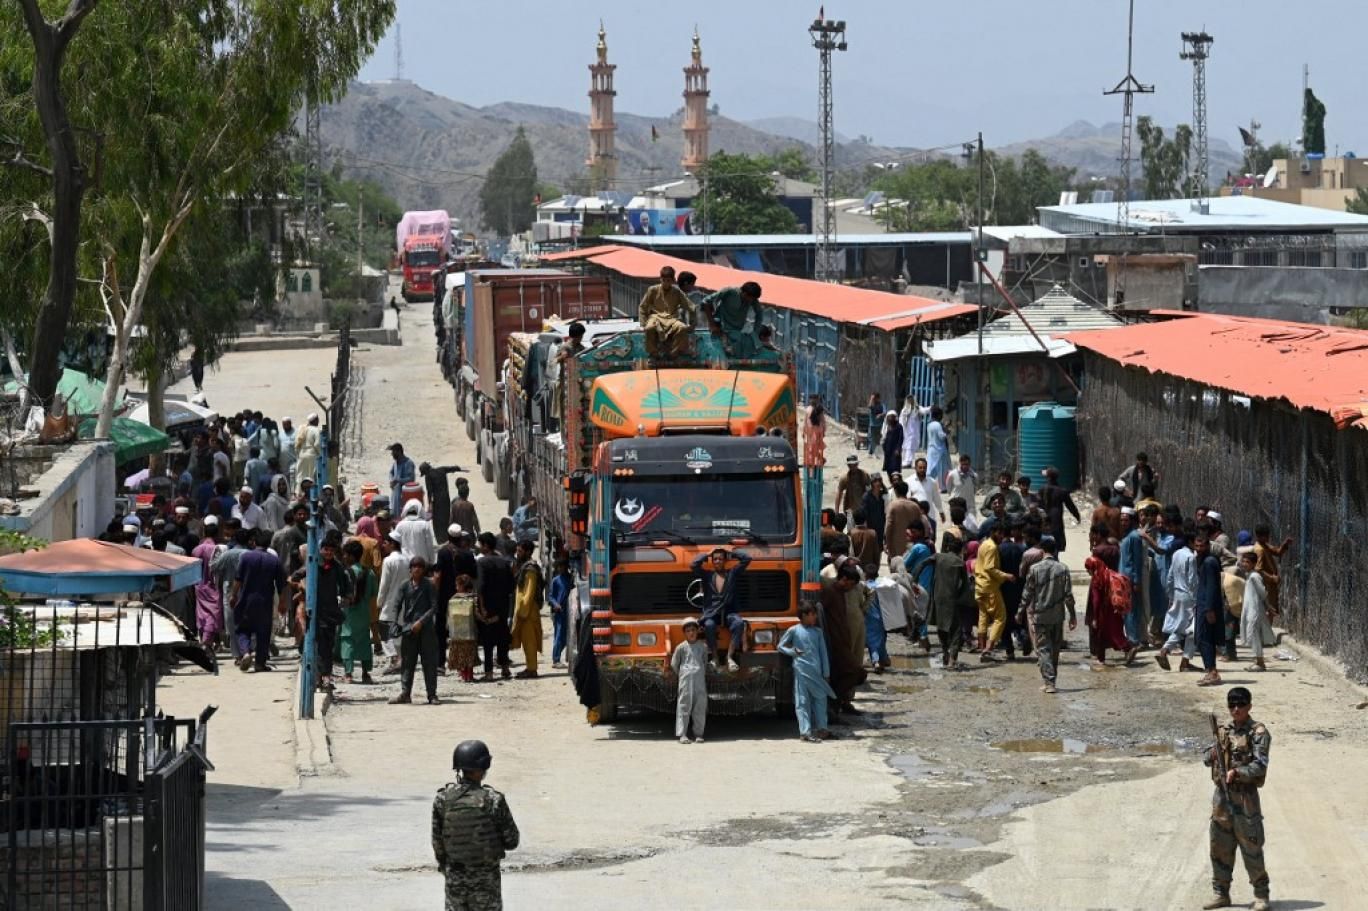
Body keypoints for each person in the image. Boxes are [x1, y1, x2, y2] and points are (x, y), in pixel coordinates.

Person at [1202, 687, 1271, 911]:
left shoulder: (1258, 732)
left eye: (1240, 705)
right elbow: (1206, 757)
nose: (1236, 709)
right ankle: (1221, 894)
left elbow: (1260, 765)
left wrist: (1237, 772)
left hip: (1245, 799)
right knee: (1219, 846)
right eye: (1232, 705)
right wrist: (1213, 754)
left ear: (1249, 706)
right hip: (1222, 798)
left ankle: (1261, 895)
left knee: (1251, 846)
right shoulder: (1223, 730)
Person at [432, 740, 520, 911]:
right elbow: (512, 841)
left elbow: (438, 844)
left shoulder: (443, 799)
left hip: (455, 881)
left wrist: (449, 870)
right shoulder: (494, 800)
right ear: (483, 767)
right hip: (486, 883)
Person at [1019, 537, 1076, 694]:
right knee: (1055, 649)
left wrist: (1020, 611)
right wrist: (1072, 616)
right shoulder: (1063, 569)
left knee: (1044, 649)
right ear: (1055, 551)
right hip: (1057, 616)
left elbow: (1027, 593)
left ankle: (1049, 682)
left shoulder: (1034, 569)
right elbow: (1068, 595)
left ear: (1042, 551)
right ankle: (1052, 680)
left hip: (1040, 615)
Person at [909, 535, 973, 670]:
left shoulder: (938, 557)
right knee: (956, 630)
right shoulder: (960, 563)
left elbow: (922, 564)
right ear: (960, 550)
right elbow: (965, 584)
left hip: (937, 597)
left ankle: (945, 652)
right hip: (952, 598)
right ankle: (952, 660)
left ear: (948, 548)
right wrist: (963, 598)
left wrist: (914, 580)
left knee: (941, 626)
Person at [776, 604, 836, 743]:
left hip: (817, 673)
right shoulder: (794, 630)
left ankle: (823, 729)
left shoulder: (818, 632)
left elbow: (823, 654)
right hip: (801, 671)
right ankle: (805, 732)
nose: (815, 617)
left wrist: (826, 673)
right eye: (812, 614)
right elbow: (780, 646)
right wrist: (793, 652)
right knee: (802, 701)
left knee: (821, 699)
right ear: (804, 615)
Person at [229, 530, 287, 673]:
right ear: (269, 544)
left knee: (242, 628)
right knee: (263, 632)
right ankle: (260, 663)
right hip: (265, 602)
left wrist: (233, 595)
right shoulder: (274, 561)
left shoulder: (246, 557)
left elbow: (238, 579)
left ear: (254, 542)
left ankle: (246, 652)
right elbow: (281, 585)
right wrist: (282, 603)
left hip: (246, 599)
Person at [818, 560, 868, 717]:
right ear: (844, 579)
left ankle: (837, 705)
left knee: (848, 674)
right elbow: (819, 612)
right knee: (856, 672)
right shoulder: (830, 592)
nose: (851, 588)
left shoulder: (840, 593)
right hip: (835, 643)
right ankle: (834, 702)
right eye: (851, 584)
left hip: (843, 642)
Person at [1083, 522, 1137, 668]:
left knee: (1100, 622)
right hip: (1115, 585)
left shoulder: (1098, 552)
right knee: (1114, 621)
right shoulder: (1115, 549)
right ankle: (1107, 653)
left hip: (1102, 585)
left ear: (1098, 535)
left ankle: (1103, 654)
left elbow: (1095, 570)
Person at [389, 555, 440, 704]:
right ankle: (405, 693)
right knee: (407, 662)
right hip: (409, 629)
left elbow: (434, 607)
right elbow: (396, 605)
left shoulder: (429, 585)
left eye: (420, 567)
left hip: (426, 630)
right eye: (414, 566)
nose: (417, 569)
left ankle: (432, 694)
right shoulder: (405, 586)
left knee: (429, 663)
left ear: (423, 570)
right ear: (410, 569)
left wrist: (421, 622)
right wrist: (394, 622)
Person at [691, 548, 751, 671]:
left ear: (725, 561)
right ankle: (715, 658)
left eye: (720, 559)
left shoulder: (732, 573)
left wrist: (731, 552)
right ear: (712, 561)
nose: (718, 561)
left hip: (729, 612)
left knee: (739, 623)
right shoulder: (707, 575)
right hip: (712, 613)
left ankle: (729, 657)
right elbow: (694, 565)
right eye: (715, 559)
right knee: (709, 625)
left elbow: (747, 559)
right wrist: (707, 554)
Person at [313, 531, 352, 693]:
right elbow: (296, 576)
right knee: (315, 645)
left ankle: (325, 676)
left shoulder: (337, 567)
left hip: (329, 613)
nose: (328, 553)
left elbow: (345, 586)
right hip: (314, 612)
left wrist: (346, 597)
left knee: (327, 646)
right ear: (321, 550)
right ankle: (318, 677)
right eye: (326, 549)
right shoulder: (313, 564)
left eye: (331, 550)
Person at [1157, 527, 1198, 672]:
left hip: (1177, 594)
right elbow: (1192, 581)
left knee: (1181, 628)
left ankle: (1166, 651)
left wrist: (1171, 596)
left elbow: (1170, 576)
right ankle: (1184, 661)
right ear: (1191, 542)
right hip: (1188, 596)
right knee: (1193, 629)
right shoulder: (1191, 557)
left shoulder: (1176, 554)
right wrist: (1196, 599)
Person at [475, 532, 515, 681]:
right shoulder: (504, 562)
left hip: (488, 606)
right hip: (503, 606)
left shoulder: (482, 562)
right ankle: (505, 668)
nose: (479, 547)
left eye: (480, 544)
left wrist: (482, 608)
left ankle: (489, 672)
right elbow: (511, 585)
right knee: (502, 636)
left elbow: (480, 587)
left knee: (488, 640)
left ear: (486, 545)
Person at [974, 521, 1014, 661]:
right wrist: (1006, 576)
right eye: (1000, 534)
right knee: (1000, 617)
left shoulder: (983, 544)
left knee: (983, 617)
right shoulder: (991, 547)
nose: (1002, 537)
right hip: (990, 586)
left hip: (980, 585)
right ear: (993, 532)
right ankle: (988, 649)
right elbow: (989, 568)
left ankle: (982, 647)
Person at [638, 265, 695, 359]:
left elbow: (691, 307)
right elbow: (642, 306)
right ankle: (653, 352)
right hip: (656, 318)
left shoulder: (677, 292)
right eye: (663, 280)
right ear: (660, 279)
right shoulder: (652, 290)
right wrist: (643, 324)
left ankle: (675, 352)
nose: (665, 283)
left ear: (672, 280)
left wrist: (692, 324)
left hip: (672, 318)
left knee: (682, 327)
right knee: (649, 328)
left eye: (668, 280)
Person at [339, 540, 376, 684]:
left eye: (345, 555)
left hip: (349, 613)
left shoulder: (345, 573)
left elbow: (340, 592)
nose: (343, 557)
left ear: (351, 556)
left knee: (347, 640)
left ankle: (348, 674)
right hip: (364, 613)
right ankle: (366, 673)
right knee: (365, 641)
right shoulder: (370, 573)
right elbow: (373, 593)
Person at [669, 617, 709, 744]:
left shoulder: (703, 647)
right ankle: (682, 734)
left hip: (699, 681)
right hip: (685, 681)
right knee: (684, 706)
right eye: (688, 631)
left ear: (697, 631)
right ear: (684, 633)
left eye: (693, 630)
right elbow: (674, 664)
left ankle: (699, 734)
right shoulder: (681, 647)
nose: (691, 633)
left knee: (700, 706)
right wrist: (683, 674)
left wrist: (699, 672)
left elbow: (705, 662)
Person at [376, 531, 410, 674]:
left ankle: (394, 658)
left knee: (384, 628)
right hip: (404, 600)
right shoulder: (407, 560)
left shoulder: (388, 561)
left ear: (392, 544)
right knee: (398, 631)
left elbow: (384, 584)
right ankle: (399, 660)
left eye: (385, 543)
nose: (383, 545)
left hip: (390, 600)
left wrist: (379, 601)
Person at [1194, 534, 1226, 687]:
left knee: (1205, 638)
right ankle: (1210, 670)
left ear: (1208, 546)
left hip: (1207, 606)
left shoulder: (1209, 562)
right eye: (1197, 546)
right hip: (1203, 604)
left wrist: (1209, 608)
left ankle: (1212, 672)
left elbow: (1212, 586)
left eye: (1202, 546)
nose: (1199, 549)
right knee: (1204, 638)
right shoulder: (1203, 560)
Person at [700, 281, 764, 355]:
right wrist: (712, 324)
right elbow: (706, 302)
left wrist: (756, 332)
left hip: (736, 331)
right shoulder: (729, 292)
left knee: (751, 343)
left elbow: (759, 313)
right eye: (751, 298)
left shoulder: (752, 300)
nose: (752, 301)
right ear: (745, 294)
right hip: (720, 328)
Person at [510, 540, 544, 679]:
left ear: (528, 552)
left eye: (520, 551)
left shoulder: (530, 569)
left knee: (530, 640)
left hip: (528, 611)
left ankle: (532, 669)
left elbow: (529, 593)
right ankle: (530, 667)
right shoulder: (524, 567)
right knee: (525, 640)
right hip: (524, 610)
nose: (517, 554)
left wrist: (522, 610)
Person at [1238, 550, 1273, 672]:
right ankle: (1258, 661)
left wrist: (1268, 607)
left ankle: (1260, 663)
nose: (1244, 564)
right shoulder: (1249, 575)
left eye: (1247, 562)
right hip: (1249, 609)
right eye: (1243, 561)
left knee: (1253, 634)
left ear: (1253, 563)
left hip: (1254, 610)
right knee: (1252, 635)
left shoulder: (1254, 576)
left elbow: (1263, 593)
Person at [192, 518, 224, 649]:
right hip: (213, 586)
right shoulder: (217, 550)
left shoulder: (196, 549)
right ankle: (206, 641)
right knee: (213, 613)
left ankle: (205, 640)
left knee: (201, 613)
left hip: (199, 586)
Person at [1252, 524, 1292, 623]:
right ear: (1260, 536)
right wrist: (1272, 578)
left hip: (1270, 585)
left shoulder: (1265, 545)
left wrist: (1284, 545)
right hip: (1266, 586)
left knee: (1270, 610)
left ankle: (1266, 630)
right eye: (1266, 536)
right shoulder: (1259, 549)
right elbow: (1258, 570)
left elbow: (1277, 552)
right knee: (1268, 610)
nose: (1268, 537)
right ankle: (1265, 631)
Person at [1036, 466, 1080, 552]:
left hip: (1045, 520)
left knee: (1044, 543)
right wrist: (1077, 516)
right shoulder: (1062, 491)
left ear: (1048, 477)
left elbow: (1038, 505)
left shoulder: (1042, 489)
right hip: (1057, 520)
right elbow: (1070, 506)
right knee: (1057, 544)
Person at [446, 573, 479, 683]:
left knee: (461, 655)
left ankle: (464, 675)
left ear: (461, 585)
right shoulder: (473, 598)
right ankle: (470, 675)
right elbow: (477, 614)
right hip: (470, 631)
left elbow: (449, 615)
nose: (456, 587)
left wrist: (448, 628)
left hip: (457, 632)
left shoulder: (453, 598)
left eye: (457, 585)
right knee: (470, 654)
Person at [421, 462, 464, 544]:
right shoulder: (441, 470)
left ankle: (441, 539)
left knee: (438, 521)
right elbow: (451, 468)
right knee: (446, 517)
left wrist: (430, 504)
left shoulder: (428, 476)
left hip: (437, 502)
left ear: (425, 471)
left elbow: (430, 492)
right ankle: (448, 536)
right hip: (446, 499)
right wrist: (457, 468)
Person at [396, 499, 438, 566]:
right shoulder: (424, 525)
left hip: (405, 563)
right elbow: (429, 545)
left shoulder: (400, 525)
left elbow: (396, 545)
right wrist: (432, 561)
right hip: (422, 563)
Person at [547, 557, 572, 669]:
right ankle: (556, 659)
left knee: (567, 637)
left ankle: (559, 656)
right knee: (558, 636)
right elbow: (550, 596)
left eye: (562, 566)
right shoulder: (556, 580)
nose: (560, 569)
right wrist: (556, 604)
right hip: (559, 612)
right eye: (559, 567)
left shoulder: (571, 579)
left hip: (569, 611)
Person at [907, 457, 946, 525]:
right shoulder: (908, 481)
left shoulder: (932, 482)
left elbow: (937, 498)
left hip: (930, 516)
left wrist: (941, 511)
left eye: (924, 468)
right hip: (914, 517)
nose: (922, 470)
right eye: (920, 467)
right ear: (915, 468)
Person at [834, 454, 871, 520]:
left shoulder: (864, 475)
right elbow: (839, 493)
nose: (852, 467)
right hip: (850, 510)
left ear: (857, 464)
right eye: (850, 465)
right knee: (850, 526)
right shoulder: (845, 478)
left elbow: (870, 491)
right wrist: (836, 510)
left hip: (863, 509)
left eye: (854, 465)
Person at [898, 396, 931, 469]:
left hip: (914, 432)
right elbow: (901, 420)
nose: (910, 401)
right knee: (906, 447)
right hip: (906, 431)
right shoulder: (904, 410)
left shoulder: (917, 409)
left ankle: (908, 462)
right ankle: (907, 461)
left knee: (910, 446)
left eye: (911, 400)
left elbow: (924, 410)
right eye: (909, 400)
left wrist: (930, 408)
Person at [860, 476, 887, 555]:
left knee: (880, 549)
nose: (878, 483)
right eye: (875, 481)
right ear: (872, 483)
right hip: (870, 527)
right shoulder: (866, 496)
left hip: (881, 526)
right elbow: (864, 513)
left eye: (879, 481)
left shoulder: (883, 495)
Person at [924, 406, 949, 489]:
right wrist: (947, 432)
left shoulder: (929, 425)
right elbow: (941, 436)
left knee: (931, 467)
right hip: (939, 450)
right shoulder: (938, 425)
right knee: (941, 469)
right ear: (939, 415)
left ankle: (928, 483)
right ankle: (942, 487)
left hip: (931, 449)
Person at [388, 443, 417, 511]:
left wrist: (398, 480)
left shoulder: (409, 463)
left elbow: (411, 479)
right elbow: (391, 472)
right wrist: (391, 480)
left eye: (393, 452)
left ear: (399, 451)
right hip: (395, 495)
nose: (392, 454)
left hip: (405, 496)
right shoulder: (395, 463)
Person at [295, 413, 322, 483]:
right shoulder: (316, 430)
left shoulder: (302, 429)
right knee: (311, 476)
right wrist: (320, 454)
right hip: (311, 455)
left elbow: (297, 443)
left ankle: (299, 489)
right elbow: (317, 444)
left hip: (301, 454)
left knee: (301, 476)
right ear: (315, 420)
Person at [880, 412, 903, 478]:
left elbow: (901, 438)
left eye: (892, 417)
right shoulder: (887, 426)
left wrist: (898, 449)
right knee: (888, 468)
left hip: (895, 450)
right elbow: (884, 437)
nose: (890, 418)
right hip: (888, 450)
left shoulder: (899, 426)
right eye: (889, 417)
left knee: (895, 467)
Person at [866, 392, 885, 456]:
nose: (874, 400)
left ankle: (877, 453)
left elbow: (885, 412)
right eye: (873, 398)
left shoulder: (882, 405)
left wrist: (880, 415)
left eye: (875, 398)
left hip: (879, 425)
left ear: (878, 398)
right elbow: (869, 406)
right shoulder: (872, 405)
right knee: (872, 438)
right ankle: (872, 452)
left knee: (878, 439)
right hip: (872, 425)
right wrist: (871, 399)